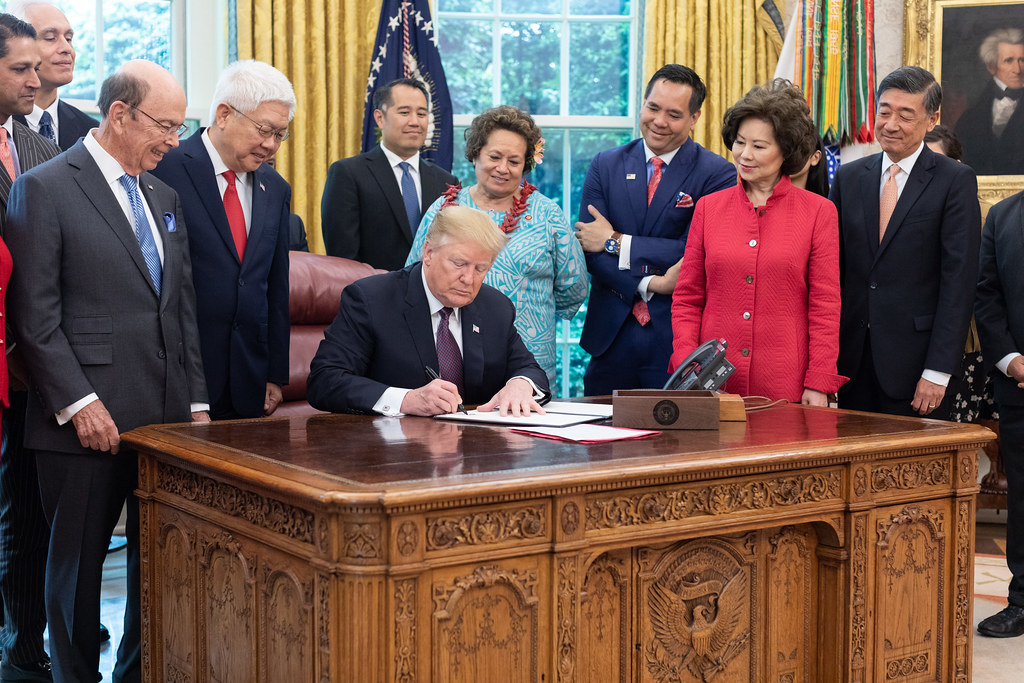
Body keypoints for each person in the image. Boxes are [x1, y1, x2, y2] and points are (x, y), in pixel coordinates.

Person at [5, 60, 209, 683]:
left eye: (179, 126)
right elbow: (33, 319)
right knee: (77, 569)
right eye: (165, 126)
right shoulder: (44, 187)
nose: (174, 142)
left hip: (167, 418)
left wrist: (197, 405)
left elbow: (180, 309)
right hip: (83, 422)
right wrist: (79, 402)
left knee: (158, 565)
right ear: (119, 113)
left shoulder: (164, 195)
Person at [670, 79, 845, 404]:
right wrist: (687, 366)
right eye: (739, 142)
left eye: (759, 146)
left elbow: (825, 307)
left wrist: (819, 382)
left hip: (786, 385)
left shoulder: (819, 212)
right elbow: (687, 299)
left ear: (787, 150)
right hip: (711, 385)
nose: (744, 155)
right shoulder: (709, 208)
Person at [574, 63, 736, 395]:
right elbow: (590, 249)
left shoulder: (718, 173)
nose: (659, 121)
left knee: (673, 442)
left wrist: (616, 241)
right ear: (642, 103)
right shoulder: (605, 164)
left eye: (674, 114)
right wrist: (653, 283)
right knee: (599, 441)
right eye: (653, 108)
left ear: (694, 118)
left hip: (677, 338)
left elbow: (694, 251)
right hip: (610, 337)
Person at [831, 66, 980, 420]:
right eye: (884, 111)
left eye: (905, 115)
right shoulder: (850, 178)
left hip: (918, 370)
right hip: (851, 363)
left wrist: (937, 371)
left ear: (932, 120)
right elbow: (833, 270)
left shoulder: (954, 181)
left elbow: (958, 283)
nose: (891, 124)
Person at [308, 204, 549, 416]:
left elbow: (529, 369)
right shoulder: (372, 299)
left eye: (480, 268)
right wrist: (405, 400)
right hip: (391, 452)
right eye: (459, 263)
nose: (468, 278)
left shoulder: (495, 307)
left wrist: (521, 384)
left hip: (476, 452)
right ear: (429, 253)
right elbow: (325, 380)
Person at [405, 105, 587, 386]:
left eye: (514, 161)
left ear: (526, 165)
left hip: (529, 366)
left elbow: (573, 289)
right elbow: (414, 277)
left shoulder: (548, 215)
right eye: (494, 156)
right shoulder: (444, 209)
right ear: (476, 154)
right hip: (452, 363)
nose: (503, 168)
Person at [151, 59, 292, 420]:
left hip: (249, 376)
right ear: (225, 114)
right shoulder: (165, 168)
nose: (271, 144)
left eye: (280, 134)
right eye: (265, 130)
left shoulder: (274, 188)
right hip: (180, 373)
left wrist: (275, 372)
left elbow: (274, 286)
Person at [0, 12, 62, 683]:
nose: (35, 77)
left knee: (31, 505)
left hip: (40, 368)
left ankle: (26, 637)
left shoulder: (42, 153)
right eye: (20, 67)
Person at [321, 78, 457, 270]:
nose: (414, 122)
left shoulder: (446, 182)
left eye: (421, 113)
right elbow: (343, 258)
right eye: (404, 112)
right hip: (371, 294)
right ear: (379, 118)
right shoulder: (349, 174)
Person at [975, 189, 1024, 638]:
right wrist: (1010, 359)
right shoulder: (1004, 216)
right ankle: (1021, 599)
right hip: (1019, 384)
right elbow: (986, 297)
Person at [9, 1, 97, 150]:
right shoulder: (5, 123)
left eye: (68, 39)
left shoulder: (92, 133)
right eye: (50, 38)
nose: (66, 48)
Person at [954, 28, 1024, 175]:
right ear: (991, 67)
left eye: (1022, 60)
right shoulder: (969, 118)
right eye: (1009, 61)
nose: (1017, 69)